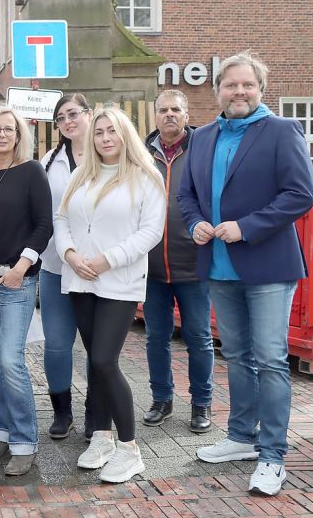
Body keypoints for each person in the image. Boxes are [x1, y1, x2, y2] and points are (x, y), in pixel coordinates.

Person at [179, 52, 313, 496]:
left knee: (272, 359)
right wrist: (195, 222)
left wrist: (246, 227)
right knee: (237, 356)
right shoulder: (201, 137)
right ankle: (241, 437)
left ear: (260, 89)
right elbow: (187, 196)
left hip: (268, 265)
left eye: (248, 85)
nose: (239, 92)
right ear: (217, 89)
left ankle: (273, 454)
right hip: (218, 266)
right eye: (231, 85)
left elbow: (301, 194)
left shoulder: (281, 131)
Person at [54, 107, 165, 484]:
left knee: (104, 361)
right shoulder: (79, 175)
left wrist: (107, 260)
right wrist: (69, 254)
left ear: (125, 135)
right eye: (98, 132)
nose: (104, 138)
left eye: (111, 131)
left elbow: (150, 232)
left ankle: (130, 449)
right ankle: (100, 437)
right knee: (94, 361)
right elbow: (62, 219)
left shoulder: (145, 177)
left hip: (118, 281)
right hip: (80, 278)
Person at [0, 107, 52, 476]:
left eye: (9, 129)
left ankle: (24, 441)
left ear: (19, 135)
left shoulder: (32, 172)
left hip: (16, 279)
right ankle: (4, 430)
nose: (2, 134)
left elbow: (44, 225)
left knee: (11, 359)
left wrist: (22, 266)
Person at [141, 90, 214, 433]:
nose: (169, 114)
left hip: (194, 265)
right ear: (154, 115)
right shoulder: (141, 155)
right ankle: (161, 399)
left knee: (198, 338)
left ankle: (201, 404)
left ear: (186, 114)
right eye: (163, 110)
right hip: (152, 267)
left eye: (176, 109)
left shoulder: (203, 151)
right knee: (156, 338)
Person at [39, 93, 92, 441]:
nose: (68, 121)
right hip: (56, 266)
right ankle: (62, 411)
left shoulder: (109, 153)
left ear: (89, 114)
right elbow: (46, 213)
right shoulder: (49, 160)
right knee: (57, 344)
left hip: (96, 268)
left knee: (96, 345)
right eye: (61, 118)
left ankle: (96, 410)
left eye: (73, 114)